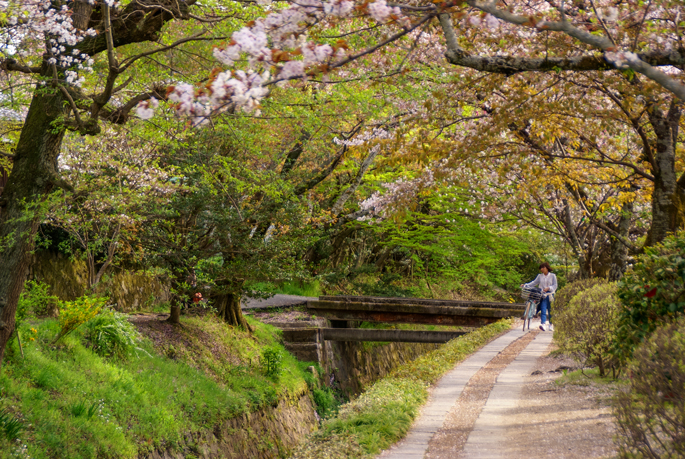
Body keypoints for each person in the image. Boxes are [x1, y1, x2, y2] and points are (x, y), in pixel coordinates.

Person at [521, 262, 557, 331]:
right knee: (543, 309)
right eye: (541, 268)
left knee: (551, 310)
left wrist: (549, 288)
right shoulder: (540, 276)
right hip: (542, 295)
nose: (542, 269)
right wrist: (526, 285)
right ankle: (543, 324)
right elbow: (534, 283)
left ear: (546, 268)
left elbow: (555, 285)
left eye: (543, 268)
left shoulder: (553, 276)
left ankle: (550, 324)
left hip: (550, 295)